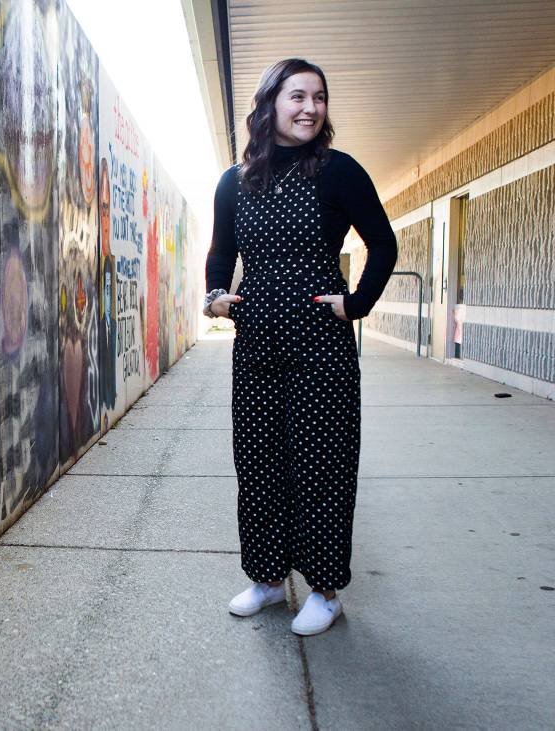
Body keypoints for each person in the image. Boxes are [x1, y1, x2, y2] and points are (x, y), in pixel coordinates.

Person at [203, 58, 397, 636]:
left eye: (318, 97)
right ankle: (265, 579)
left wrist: (356, 303)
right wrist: (216, 296)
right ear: (269, 105)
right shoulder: (234, 181)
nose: (310, 107)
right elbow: (220, 253)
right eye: (297, 96)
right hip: (257, 341)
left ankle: (325, 589)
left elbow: (383, 245)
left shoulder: (339, 172)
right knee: (259, 461)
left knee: (323, 464)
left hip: (321, 345)